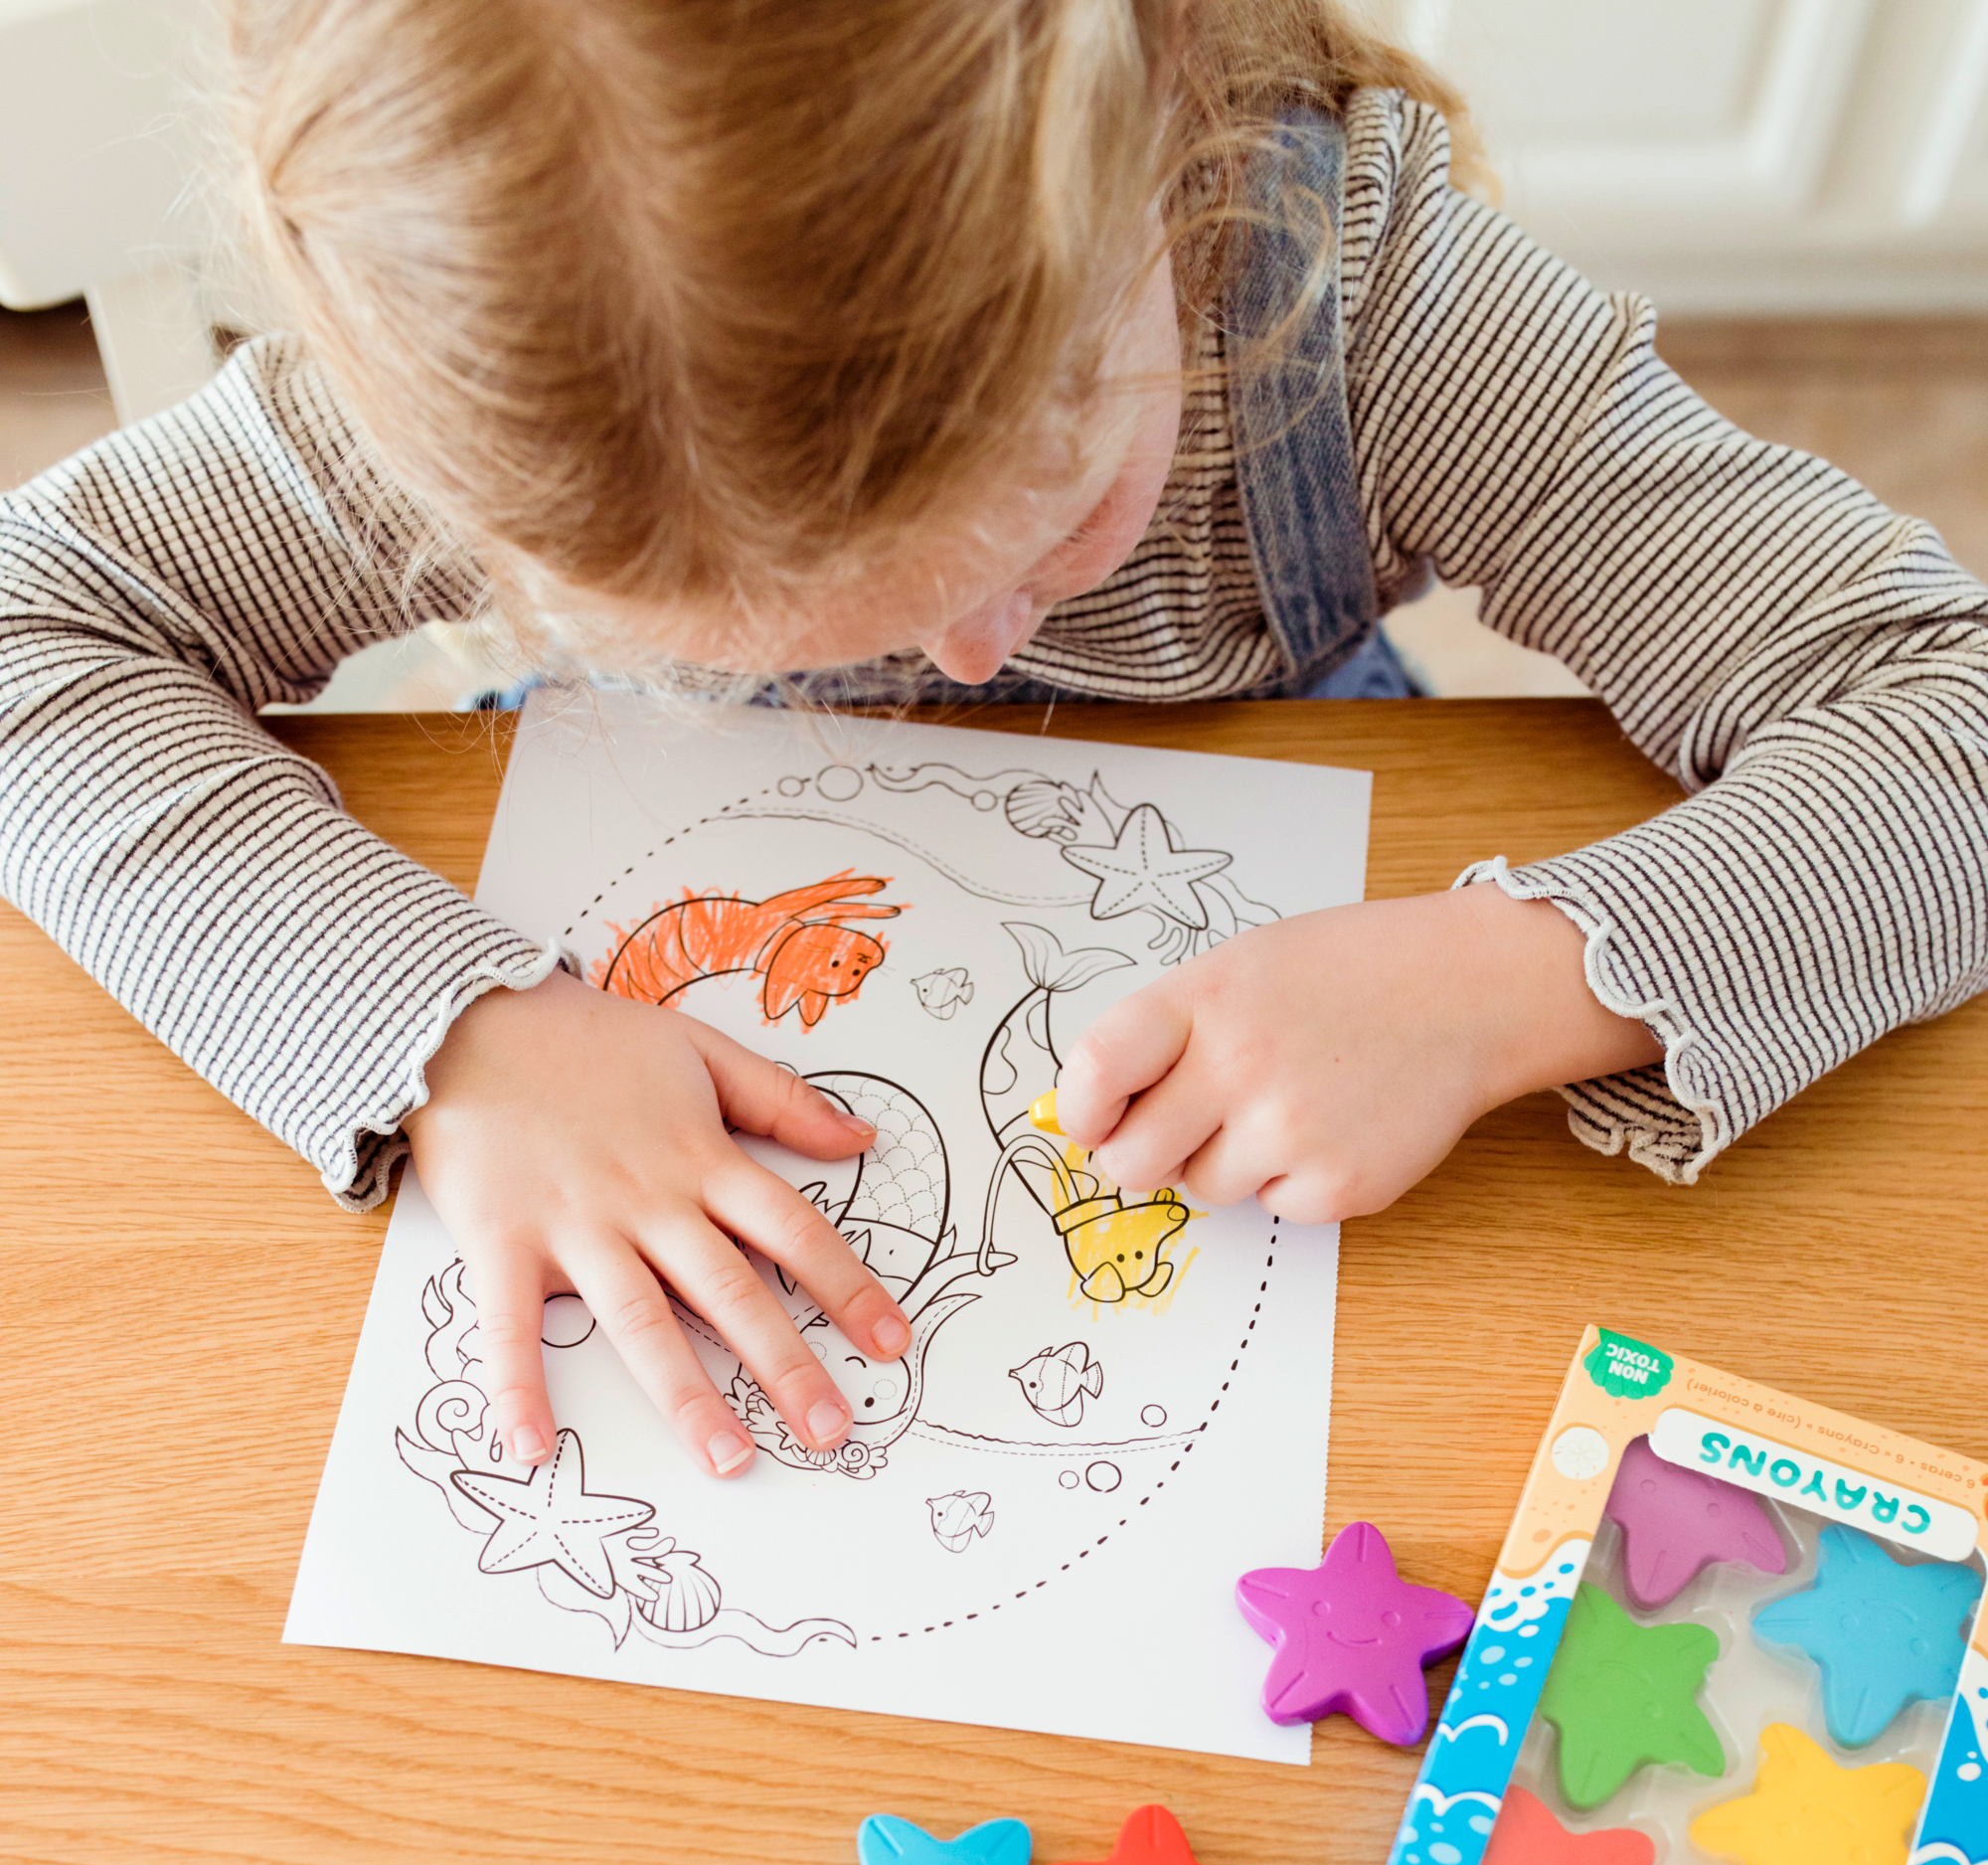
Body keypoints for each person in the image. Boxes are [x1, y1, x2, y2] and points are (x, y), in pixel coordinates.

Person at [2, 2, 1984, 1485]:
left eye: (1050, 534)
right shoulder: (470, 378)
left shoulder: (1371, 313)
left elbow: (1946, 713)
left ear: (1147, 169)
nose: (964, 650)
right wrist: (447, 1031)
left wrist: (1512, 980)